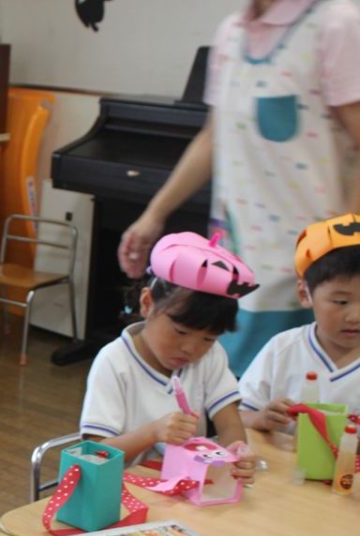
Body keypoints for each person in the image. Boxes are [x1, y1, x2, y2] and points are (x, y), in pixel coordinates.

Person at [117, 0, 360, 374]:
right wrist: (154, 214)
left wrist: (342, 249)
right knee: (229, 389)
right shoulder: (232, 32)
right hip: (235, 263)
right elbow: (212, 136)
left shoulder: (337, 24)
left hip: (307, 272)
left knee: (296, 394)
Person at [81, 232, 257, 479]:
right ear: (147, 303)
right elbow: (96, 454)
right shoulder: (114, 362)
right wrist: (153, 433)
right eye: (180, 332)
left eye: (208, 338)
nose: (191, 349)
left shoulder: (211, 356)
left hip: (185, 487)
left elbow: (229, 423)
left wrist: (236, 453)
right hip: (123, 490)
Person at [241, 213, 360, 430]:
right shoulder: (283, 348)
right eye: (341, 302)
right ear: (305, 294)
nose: (355, 317)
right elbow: (235, 417)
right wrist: (260, 419)